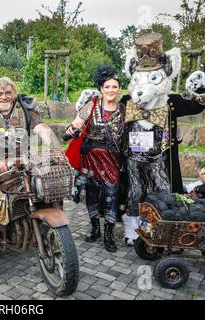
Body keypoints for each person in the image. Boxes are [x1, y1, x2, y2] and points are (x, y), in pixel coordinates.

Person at [0, 77, 56, 268]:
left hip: (21, 158)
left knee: (44, 184)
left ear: (14, 93)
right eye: (0, 93)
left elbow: (41, 127)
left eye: (8, 93)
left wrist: (53, 147)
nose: (4, 97)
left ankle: (46, 230)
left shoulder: (26, 109)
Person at [64, 65, 124, 252]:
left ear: (119, 89)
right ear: (101, 89)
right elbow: (76, 124)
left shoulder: (124, 109)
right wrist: (71, 131)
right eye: (107, 87)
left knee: (111, 195)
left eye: (114, 87)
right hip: (90, 158)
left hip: (112, 160)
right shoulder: (91, 106)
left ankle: (109, 234)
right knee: (91, 194)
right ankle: (95, 229)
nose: (111, 90)